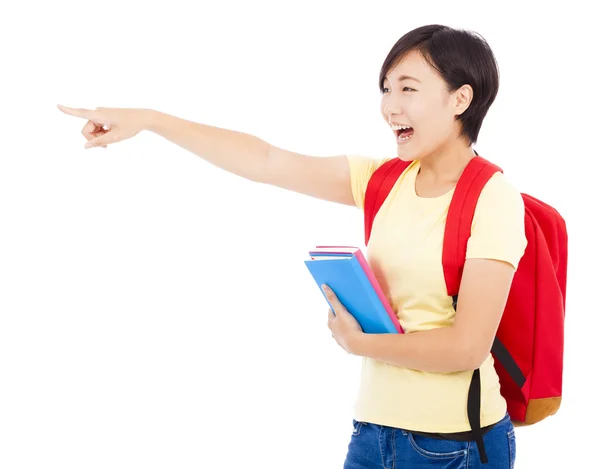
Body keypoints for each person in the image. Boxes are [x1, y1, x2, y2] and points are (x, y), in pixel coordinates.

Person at [58, 24, 526, 468]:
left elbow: (466, 348)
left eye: (408, 88)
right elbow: (266, 160)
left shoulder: (491, 197)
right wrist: (149, 120)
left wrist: (362, 342)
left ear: (460, 98)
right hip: (372, 433)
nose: (390, 106)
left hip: (456, 445)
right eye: (385, 89)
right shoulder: (384, 180)